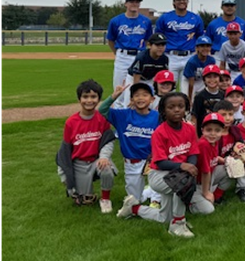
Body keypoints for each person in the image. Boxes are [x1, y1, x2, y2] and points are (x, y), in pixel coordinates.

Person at [145, 92, 214, 238]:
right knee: (182, 183)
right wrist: (183, 167)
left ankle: (133, 208)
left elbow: (193, 153)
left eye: (181, 106)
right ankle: (178, 223)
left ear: (186, 109)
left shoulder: (189, 128)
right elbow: (160, 162)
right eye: (171, 107)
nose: (177, 110)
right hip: (158, 175)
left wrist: (190, 167)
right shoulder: (159, 132)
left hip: (180, 173)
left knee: (164, 217)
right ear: (163, 111)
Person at [56, 79, 117, 212]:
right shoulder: (71, 122)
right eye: (85, 96)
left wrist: (104, 157)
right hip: (79, 163)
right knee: (85, 200)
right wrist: (64, 175)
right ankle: (81, 192)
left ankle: (105, 199)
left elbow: (108, 141)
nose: (89, 100)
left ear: (98, 99)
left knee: (106, 168)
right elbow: (64, 150)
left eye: (93, 96)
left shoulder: (101, 119)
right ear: (79, 99)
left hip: (96, 160)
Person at [98, 82, 160, 203]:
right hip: (132, 162)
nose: (140, 98)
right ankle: (145, 192)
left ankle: (155, 201)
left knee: (159, 186)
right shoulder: (123, 115)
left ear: (152, 99)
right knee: (135, 200)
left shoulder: (158, 117)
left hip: (152, 160)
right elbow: (102, 110)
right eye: (136, 95)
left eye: (145, 95)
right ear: (131, 99)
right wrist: (114, 96)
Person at [105, 0, 153, 105]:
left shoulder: (146, 21)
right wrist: (117, 53)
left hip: (140, 56)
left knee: (140, 89)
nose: (134, 4)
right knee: (120, 90)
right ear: (126, 3)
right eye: (131, 1)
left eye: (137, 2)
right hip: (123, 56)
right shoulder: (116, 21)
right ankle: (119, 119)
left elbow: (147, 39)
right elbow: (111, 40)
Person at [155, 0, 205, 94]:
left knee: (187, 90)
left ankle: (186, 110)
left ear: (187, 1)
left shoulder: (195, 18)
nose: (181, 1)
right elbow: (157, 37)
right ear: (174, 2)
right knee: (167, 88)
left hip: (189, 56)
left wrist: (197, 53)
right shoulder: (165, 18)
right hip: (170, 56)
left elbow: (200, 38)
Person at [195, 112, 245, 205]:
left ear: (222, 131)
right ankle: (191, 202)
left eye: (217, 130)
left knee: (232, 168)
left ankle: (217, 196)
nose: (213, 133)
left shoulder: (214, 140)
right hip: (198, 181)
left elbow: (214, 158)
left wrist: (227, 161)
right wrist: (206, 193)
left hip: (209, 174)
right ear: (202, 130)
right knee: (207, 210)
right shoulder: (204, 144)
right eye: (209, 130)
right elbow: (205, 171)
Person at [126, 34, 170, 108]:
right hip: (134, 79)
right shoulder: (142, 57)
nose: (160, 47)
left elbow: (162, 77)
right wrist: (134, 95)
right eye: (157, 45)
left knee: (150, 102)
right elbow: (136, 76)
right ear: (150, 45)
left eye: (163, 45)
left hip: (150, 79)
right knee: (131, 103)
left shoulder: (164, 59)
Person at [183, 36, 218, 107]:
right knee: (186, 100)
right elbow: (191, 82)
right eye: (202, 46)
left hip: (202, 80)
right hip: (189, 81)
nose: (205, 48)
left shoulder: (211, 60)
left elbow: (211, 77)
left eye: (207, 46)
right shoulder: (192, 61)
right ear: (197, 48)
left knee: (204, 100)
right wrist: (190, 99)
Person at [191, 65, 225, 133]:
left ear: (219, 78)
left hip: (219, 131)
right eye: (209, 77)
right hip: (203, 131)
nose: (212, 80)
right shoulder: (199, 96)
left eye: (215, 77)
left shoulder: (223, 95)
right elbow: (194, 117)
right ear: (204, 79)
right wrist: (196, 137)